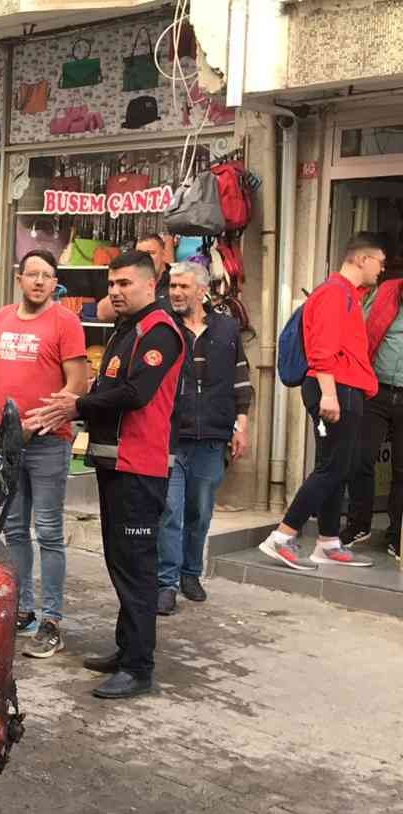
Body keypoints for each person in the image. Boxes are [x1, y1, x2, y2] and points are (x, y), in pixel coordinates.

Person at [27, 249, 183, 699]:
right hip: (115, 463)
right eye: (111, 284)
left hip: (141, 467)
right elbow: (109, 387)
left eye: (124, 284)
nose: (114, 291)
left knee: (136, 569)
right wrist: (79, 403)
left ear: (149, 285)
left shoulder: (159, 332)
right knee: (120, 562)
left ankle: (138, 667)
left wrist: (76, 405)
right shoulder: (126, 329)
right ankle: (125, 649)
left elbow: (135, 394)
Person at [260, 234, 384, 570]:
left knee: (336, 466)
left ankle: (328, 542)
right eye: (379, 261)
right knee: (333, 468)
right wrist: (329, 393)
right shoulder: (334, 293)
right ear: (361, 259)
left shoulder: (348, 295)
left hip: (343, 388)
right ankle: (282, 536)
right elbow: (322, 348)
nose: (382, 269)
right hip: (336, 388)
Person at [0, 250, 88, 658]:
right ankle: (23, 609)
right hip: (7, 439)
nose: (38, 281)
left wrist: (38, 423)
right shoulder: (2, 318)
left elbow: (78, 384)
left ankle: (52, 620)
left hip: (49, 440)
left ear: (55, 283)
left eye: (47, 276)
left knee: (48, 530)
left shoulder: (65, 321)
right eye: (32, 274)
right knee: (14, 529)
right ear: (19, 278)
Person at [157, 261, 254, 614]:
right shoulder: (164, 327)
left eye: (184, 287)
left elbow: (241, 379)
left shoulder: (227, 328)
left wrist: (240, 424)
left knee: (199, 512)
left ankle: (190, 574)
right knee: (170, 510)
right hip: (171, 435)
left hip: (212, 436)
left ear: (202, 290)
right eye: (173, 286)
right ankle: (165, 583)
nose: (177, 293)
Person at [342, 251, 403, 556]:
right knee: (361, 459)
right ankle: (358, 524)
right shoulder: (385, 294)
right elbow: (359, 330)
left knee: (402, 471)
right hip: (376, 390)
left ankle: (396, 534)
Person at [94, 233, 174, 322]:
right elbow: (102, 315)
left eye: (150, 253)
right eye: (139, 254)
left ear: (163, 254)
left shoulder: (176, 282)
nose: (145, 259)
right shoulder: (124, 280)